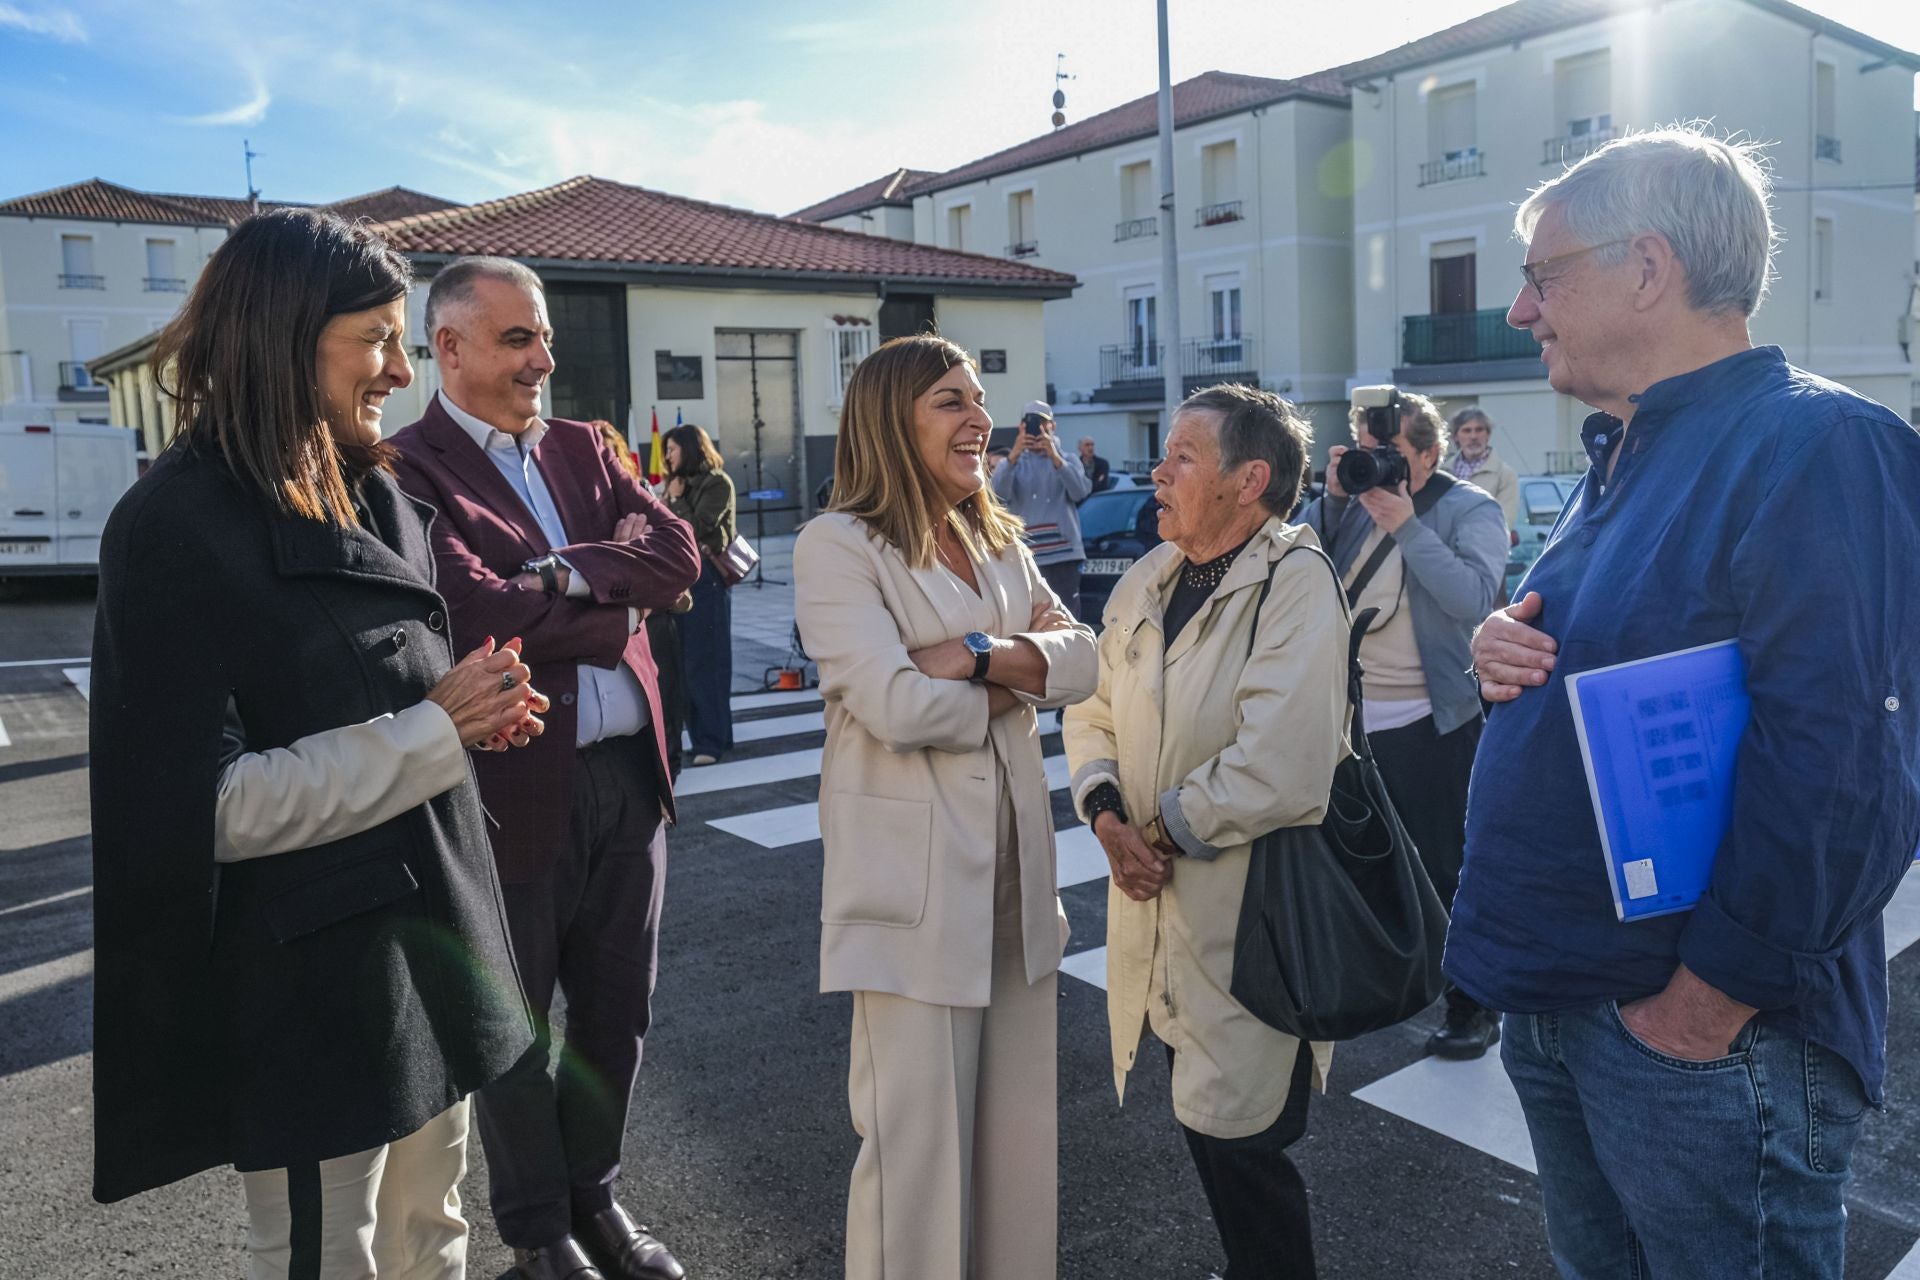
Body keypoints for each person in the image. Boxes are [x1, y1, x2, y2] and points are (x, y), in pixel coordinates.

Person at [1456, 126, 1920, 1279]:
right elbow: (1609, 647)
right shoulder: (1627, 452)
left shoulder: (1820, 444)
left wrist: (1699, 1009)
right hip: (1576, 1004)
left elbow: (1848, 769)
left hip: (1697, 1034)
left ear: (1648, 267)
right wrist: (1497, 645)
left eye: (1543, 274)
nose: (1521, 309)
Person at [89, 209, 544, 1277]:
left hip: (432, 946)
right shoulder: (171, 526)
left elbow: (377, 693)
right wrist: (433, 729)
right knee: (330, 1256)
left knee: (434, 1238)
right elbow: (202, 807)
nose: (402, 369)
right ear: (286, 335)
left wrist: (469, 714)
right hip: (313, 990)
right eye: (376, 339)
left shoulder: (374, 489)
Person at [391, 256, 702, 1280]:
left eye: (546, 338)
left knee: (617, 1012)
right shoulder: (409, 468)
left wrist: (561, 574)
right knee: (516, 1023)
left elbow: (679, 556)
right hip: (512, 783)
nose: (543, 360)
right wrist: (618, 602)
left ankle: (593, 1196)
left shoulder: (587, 445)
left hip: (630, 783)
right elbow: (472, 610)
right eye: (518, 338)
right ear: (448, 347)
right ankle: (537, 1230)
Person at [793, 335, 1097, 1280]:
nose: (980, 420)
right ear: (893, 419)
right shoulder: (838, 544)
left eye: (980, 398)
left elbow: (1085, 659)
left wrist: (972, 655)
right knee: (915, 1160)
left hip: (1015, 883)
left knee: (1016, 1147)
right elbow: (894, 705)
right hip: (913, 894)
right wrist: (1022, 675)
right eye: (951, 401)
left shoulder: (996, 536)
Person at [1064, 383, 1350, 1278]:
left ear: (1249, 480)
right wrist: (1105, 814)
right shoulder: (1152, 575)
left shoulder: (1295, 581)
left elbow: (1281, 764)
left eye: (1182, 457)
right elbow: (1093, 709)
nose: (1158, 473)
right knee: (1208, 1129)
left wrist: (1153, 836)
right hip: (1161, 908)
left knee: (1245, 1146)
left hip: (1252, 923)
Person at [1299, 391, 1508, 1058]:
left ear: (1430, 453)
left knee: (1449, 869)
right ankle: (1378, 985)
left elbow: (1472, 598)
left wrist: (1407, 526)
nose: (1377, 465)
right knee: (1356, 862)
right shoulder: (1355, 502)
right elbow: (1302, 570)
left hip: (1432, 722)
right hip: (1349, 720)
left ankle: (1472, 1006)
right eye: (1366, 452)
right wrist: (1336, 499)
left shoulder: (1469, 508)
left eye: (1390, 453)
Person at [662, 422, 738, 766]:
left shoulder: (717, 482)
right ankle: (712, 735)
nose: (667, 456)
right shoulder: (676, 484)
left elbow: (695, 528)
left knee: (705, 661)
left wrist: (676, 500)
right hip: (681, 577)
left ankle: (711, 740)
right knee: (684, 661)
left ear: (690, 449)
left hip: (707, 579)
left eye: (673, 449)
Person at [990, 398, 1092, 617]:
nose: (1038, 430)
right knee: (1030, 618)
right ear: (1021, 427)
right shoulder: (1012, 463)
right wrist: (1014, 455)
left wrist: (1055, 457)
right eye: (1032, 424)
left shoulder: (1068, 459)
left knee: (1067, 616)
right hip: (1026, 556)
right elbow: (998, 496)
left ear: (1053, 426)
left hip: (1064, 555)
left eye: (1043, 424)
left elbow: (1080, 492)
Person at [1443, 407, 1520, 527]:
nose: (1473, 436)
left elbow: (1504, 522)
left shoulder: (1505, 475)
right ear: (1455, 436)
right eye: (1467, 430)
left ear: (1488, 434)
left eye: (1479, 430)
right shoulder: (1443, 472)